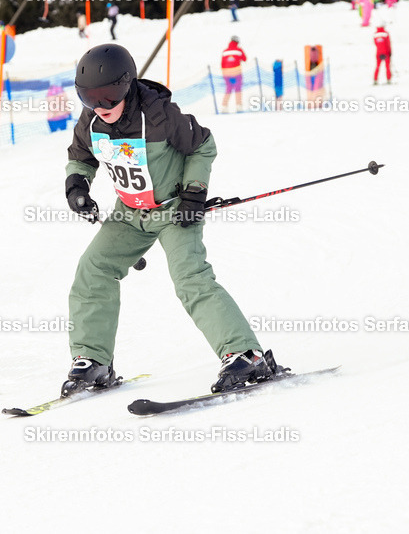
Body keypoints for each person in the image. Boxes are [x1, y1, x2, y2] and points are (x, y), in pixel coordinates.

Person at [62, 43, 271, 397]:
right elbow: (82, 156)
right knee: (93, 268)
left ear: (126, 86)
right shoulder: (94, 119)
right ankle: (92, 359)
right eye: (89, 98)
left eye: (109, 96)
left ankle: (244, 353)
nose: (101, 106)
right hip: (129, 212)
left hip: (175, 210)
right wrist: (76, 184)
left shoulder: (159, 115)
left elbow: (203, 145)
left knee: (189, 277)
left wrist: (195, 191)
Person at [220, 35, 247, 113]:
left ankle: (224, 107)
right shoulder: (239, 50)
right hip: (236, 72)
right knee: (237, 89)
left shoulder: (225, 51)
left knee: (228, 89)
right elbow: (244, 59)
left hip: (226, 73)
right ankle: (239, 106)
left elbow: (222, 63)